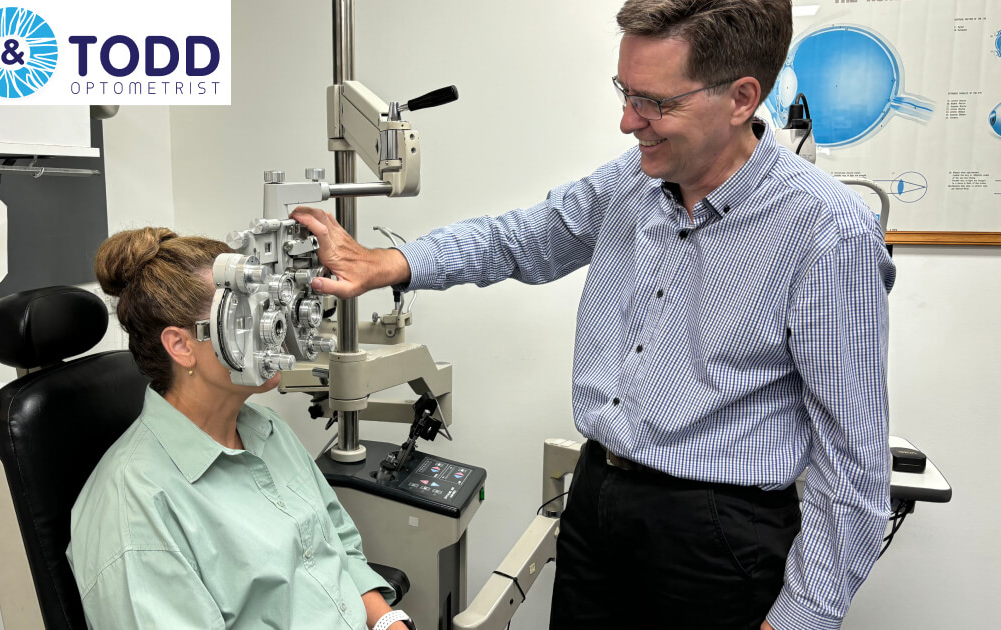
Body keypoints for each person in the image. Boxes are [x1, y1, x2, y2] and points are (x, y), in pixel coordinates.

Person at [290, 1, 895, 629]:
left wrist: (799, 620)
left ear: (742, 98)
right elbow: (521, 238)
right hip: (600, 502)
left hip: (717, 540)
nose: (629, 121)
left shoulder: (828, 232)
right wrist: (388, 262)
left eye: (655, 102)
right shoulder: (631, 183)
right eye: (624, 91)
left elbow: (853, 464)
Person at [65, 228, 412, 630]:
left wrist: (389, 623)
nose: (274, 326)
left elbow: (339, 547)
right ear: (180, 346)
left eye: (268, 304)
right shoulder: (133, 508)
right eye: (244, 315)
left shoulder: (266, 428)